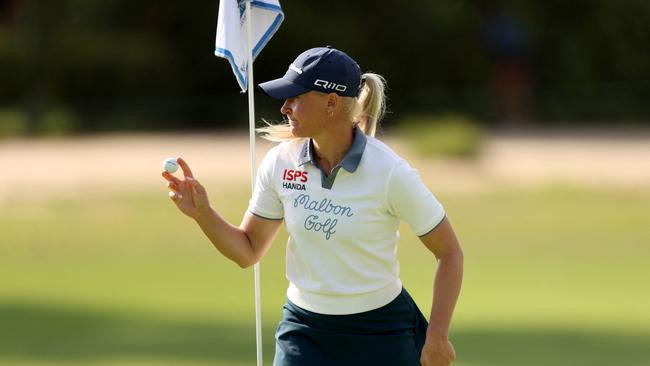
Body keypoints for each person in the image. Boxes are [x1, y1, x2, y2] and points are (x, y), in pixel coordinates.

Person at [162, 46, 464, 366]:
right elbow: (247, 250)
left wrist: (437, 337)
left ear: (331, 103)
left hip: (381, 330)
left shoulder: (389, 171)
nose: (284, 108)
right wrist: (203, 214)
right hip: (305, 330)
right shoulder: (281, 162)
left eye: (295, 98)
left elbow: (449, 253)